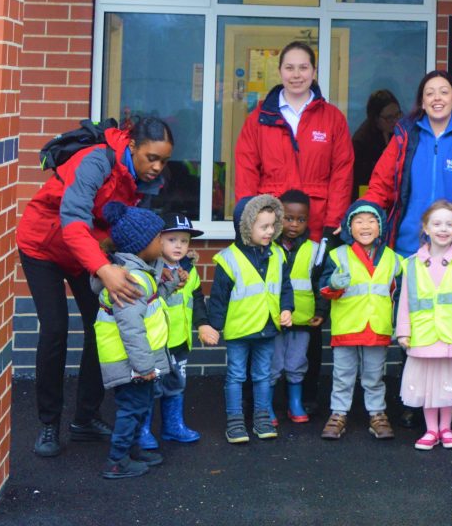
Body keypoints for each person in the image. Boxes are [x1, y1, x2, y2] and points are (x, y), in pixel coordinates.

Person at [17, 116, 175, 458]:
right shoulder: (95, 162)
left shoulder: (138, 178)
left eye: (164, 161)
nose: (158, 167)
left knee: (103, 323)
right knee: (56, 328)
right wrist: (104, 269)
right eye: (152, 158)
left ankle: (85, 418)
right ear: (132, 146)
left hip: (86, 252)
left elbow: (131, 233)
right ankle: (48, 423)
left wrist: (152, 271)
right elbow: (73, 221)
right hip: (42, 245)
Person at [368, 70, 452, 260]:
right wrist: (362, 213)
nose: (437, 98)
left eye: (444, 92)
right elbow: (380, 186)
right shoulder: (405, 137)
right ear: (422, 102)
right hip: (405, 250)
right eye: (429, 93)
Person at [234, 40, 354, 239]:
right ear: (280, 71)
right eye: (289, 68)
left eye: (303, 68)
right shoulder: (258, 119)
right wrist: (250, 220)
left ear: (314, 71)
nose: (296, 75)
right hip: (270, 222)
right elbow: (246, 173)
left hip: (316, 222)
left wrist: (333, 223)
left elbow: (342, 174)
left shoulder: (333, 118)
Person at [396, 200, 452, 450]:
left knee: (447, 385)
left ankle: (446, 428)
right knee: (428, 387)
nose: (443, 229)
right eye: (437, 223)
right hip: (423, 333)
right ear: (425, 228)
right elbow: (405, 300)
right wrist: (403, 330)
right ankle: (431, 430)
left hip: (449, 334)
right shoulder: (411, 263)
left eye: (450, 224)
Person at [201, 194, 293, 444]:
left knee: (263, 375)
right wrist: (213, 326)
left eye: (273, 225)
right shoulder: (228, 259)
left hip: (266, 326)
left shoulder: (278, 254)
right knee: (236, 376)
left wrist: (287, 308)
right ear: (245, 227)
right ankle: (235, 421)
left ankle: (262, 418)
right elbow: (219, 298)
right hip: (239, 330)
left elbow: (285, 287)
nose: (270, 231)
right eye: (263, 226)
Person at [92, 202, 173, 480]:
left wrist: (171, 283)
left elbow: (150, 301)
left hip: (138, 362)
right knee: (131, 409)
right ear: (142, 245)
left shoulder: (139, 271)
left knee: (140, 406)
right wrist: (142, 366)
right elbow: (131, 327)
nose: (162, 241)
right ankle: (117, 460)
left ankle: (132, 451)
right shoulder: (132, 280)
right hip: (131, 363)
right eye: (158, 237)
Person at [316, 198, 400, 441]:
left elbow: (401, 292)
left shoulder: (393, 258)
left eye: (372, 221)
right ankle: (339, 413)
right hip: (347, 326)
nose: (365, 226)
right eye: (359, 221)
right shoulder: (338, 255)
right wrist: (332, 285)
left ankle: (377, 414)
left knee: (374, 375)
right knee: (343, 375)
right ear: (348, 227)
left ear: (381, 227)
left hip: (377, 327)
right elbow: (323, 287)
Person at [138, 213, 205, 450]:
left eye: (184, 241)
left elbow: (196, 299)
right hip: (157, 343)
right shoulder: (151, 270)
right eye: (172, 239)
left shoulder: (190, 269)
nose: (179, 246)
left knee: (176, 385)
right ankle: (142, 431)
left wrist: (203, 324)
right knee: (151, 387)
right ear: (158, 241)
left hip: (179, 342)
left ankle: (173, 427)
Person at [273, 189, 323, 424]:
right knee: (272, 363)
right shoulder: (267, 247)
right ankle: (267, 406)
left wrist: (321, 311)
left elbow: (321, 283)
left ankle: (295, 402)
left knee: (297, 362)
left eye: (300, 219)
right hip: (272, 318)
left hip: (303, 319)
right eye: (288, 218)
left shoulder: (314, 249)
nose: (294, 224)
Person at [351, 89, 402, 199]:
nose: (395, 121)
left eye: (398, 115)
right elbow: (360, 182)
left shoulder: (400, 133)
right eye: (389, 118)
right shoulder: (362, 141)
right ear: (375, 118)